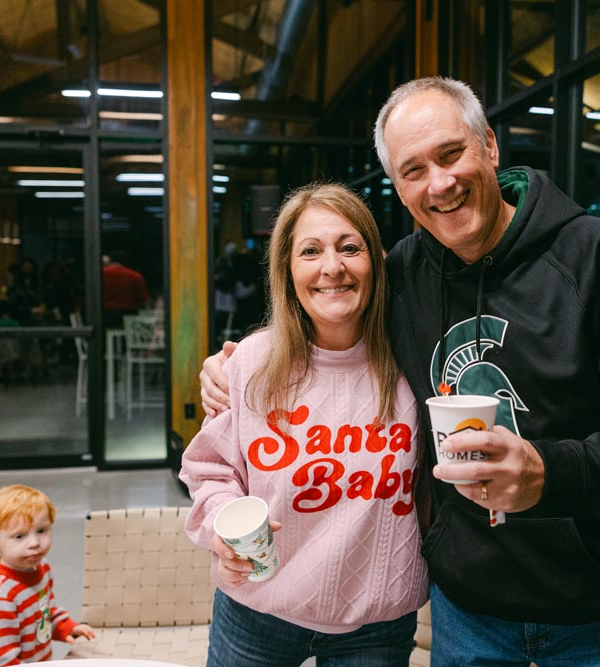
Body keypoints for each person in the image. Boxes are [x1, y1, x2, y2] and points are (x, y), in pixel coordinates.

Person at [202, 77, 600, 667]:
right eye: (414, 170)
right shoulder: (402, 279)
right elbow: (329, 320)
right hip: (471, 613)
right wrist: (235, 364)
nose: (440, 183)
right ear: (399, 188)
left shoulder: (593, 254)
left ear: (489, 146)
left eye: (451, 154)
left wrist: (551, 472)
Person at [182, 183, 427, 667]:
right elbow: (212, 471)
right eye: (310, 251)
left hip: (376, 623)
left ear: (376, 261)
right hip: (258, 613)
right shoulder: (250, 362)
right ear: (287, 269)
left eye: (349, 247)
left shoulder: (414, 359)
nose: (332, 267)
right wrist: (223, 527)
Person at [0, 484, 95, 666]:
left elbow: (45, 609)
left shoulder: (41, 567)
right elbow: (1, 660)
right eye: (19, 536)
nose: (34, 543)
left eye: (41, 531)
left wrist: (65, 626)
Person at [102, 251, 151, 327]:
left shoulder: (101, 274)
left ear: (110, 261)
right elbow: (143, 298)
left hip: (104, 315)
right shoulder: (135, 276)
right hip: (128, 316)